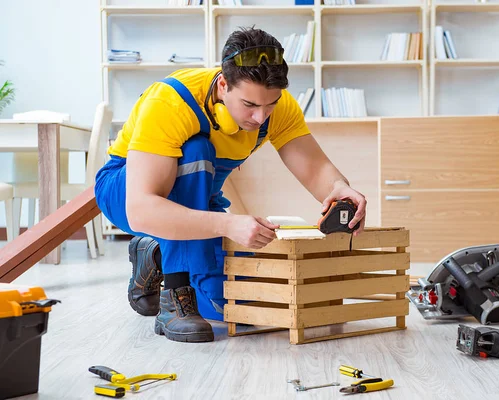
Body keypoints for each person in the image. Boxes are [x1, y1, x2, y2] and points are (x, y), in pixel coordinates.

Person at [94, 27, 367, 343]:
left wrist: (339, 187)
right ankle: (175, 292)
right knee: (196, 148)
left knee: (243, 306)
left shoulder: (275, 106)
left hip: (199, 200)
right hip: (126, 191)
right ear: (223, 85)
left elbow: (315, 166)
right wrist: (227, 224)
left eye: (270, 104)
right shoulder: (170, 102)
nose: (261, 116)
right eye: (250, 104)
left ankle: (156, 253)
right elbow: (141, 209)